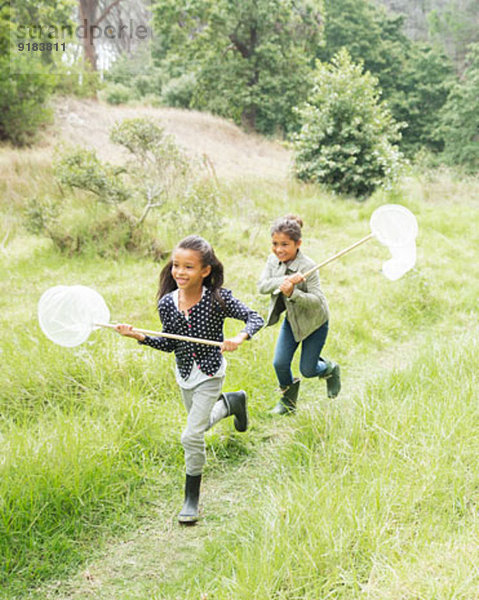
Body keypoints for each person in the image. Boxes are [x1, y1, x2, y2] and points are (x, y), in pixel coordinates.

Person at [116, 235, 264, 524]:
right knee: (201, 424)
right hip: (185, 374)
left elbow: (254, 318)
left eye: (188, 267)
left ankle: (191, 498)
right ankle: (232, 403)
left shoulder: (218, 299)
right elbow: (169, 344)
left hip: (210, 373)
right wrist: (139, 336)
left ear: (205, 271)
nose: (180, 272)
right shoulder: (167, 303)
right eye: (176, 266)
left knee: (191, 435)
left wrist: (239, 337)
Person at [258, 215, 340, 415]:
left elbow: (317, 301)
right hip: (292, 321)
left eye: (285, 244)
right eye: (275, 244)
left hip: (315, 322)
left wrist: (293, 293)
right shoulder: (273, 261)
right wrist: (285, 280)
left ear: (298, 244)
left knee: (308, 370)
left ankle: (330, 369)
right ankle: (288, 403)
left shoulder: (309, 266)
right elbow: (262, 286)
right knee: (280, 363)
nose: (279, 249)